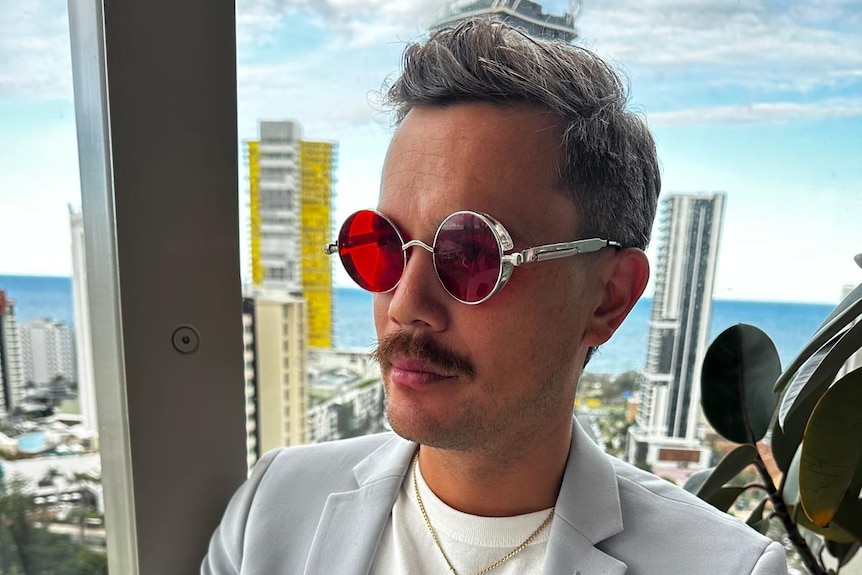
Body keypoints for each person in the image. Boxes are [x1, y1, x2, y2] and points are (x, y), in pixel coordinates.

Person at [202, 19, 788, 575]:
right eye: (381, 245)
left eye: (472, 254)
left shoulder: (722, 566)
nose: (406, 305)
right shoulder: (272, 508)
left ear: (609, 298)